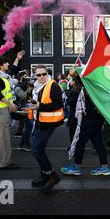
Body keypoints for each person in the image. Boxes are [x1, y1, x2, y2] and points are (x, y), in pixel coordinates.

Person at [61, 79, 110, 178]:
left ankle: (76, 167)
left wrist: (71, 87)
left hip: (88, 120)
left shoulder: (80, 89)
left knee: (79, 142)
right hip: (97, 119)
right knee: (98, 142)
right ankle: (104, 167)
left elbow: (70, 102)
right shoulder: (94, 87)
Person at [29, 65, 64, 194]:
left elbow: (58, 104)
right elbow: (40, 103)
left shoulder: (53, 85)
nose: (42, 77)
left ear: (47, 73)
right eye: (39, 75)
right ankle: (44, 175)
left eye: (44, 74)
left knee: (36, 150)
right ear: (35, 76)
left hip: (49, 123)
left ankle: (51, 175)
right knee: (39, 149)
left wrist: (39, 106)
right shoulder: (38, 87)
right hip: (41, 122)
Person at [14, 71, 34, 152]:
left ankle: (24, 143)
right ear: (21, 77)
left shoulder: (24, 85)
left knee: (28, 125)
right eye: (25, 76)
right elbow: (23, 96)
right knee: (29, 125)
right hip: (21, 108)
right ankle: (24, 144)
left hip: (26, 107)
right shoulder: (18, 87)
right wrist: (29, 88)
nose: (27, 78)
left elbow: (29, 95)